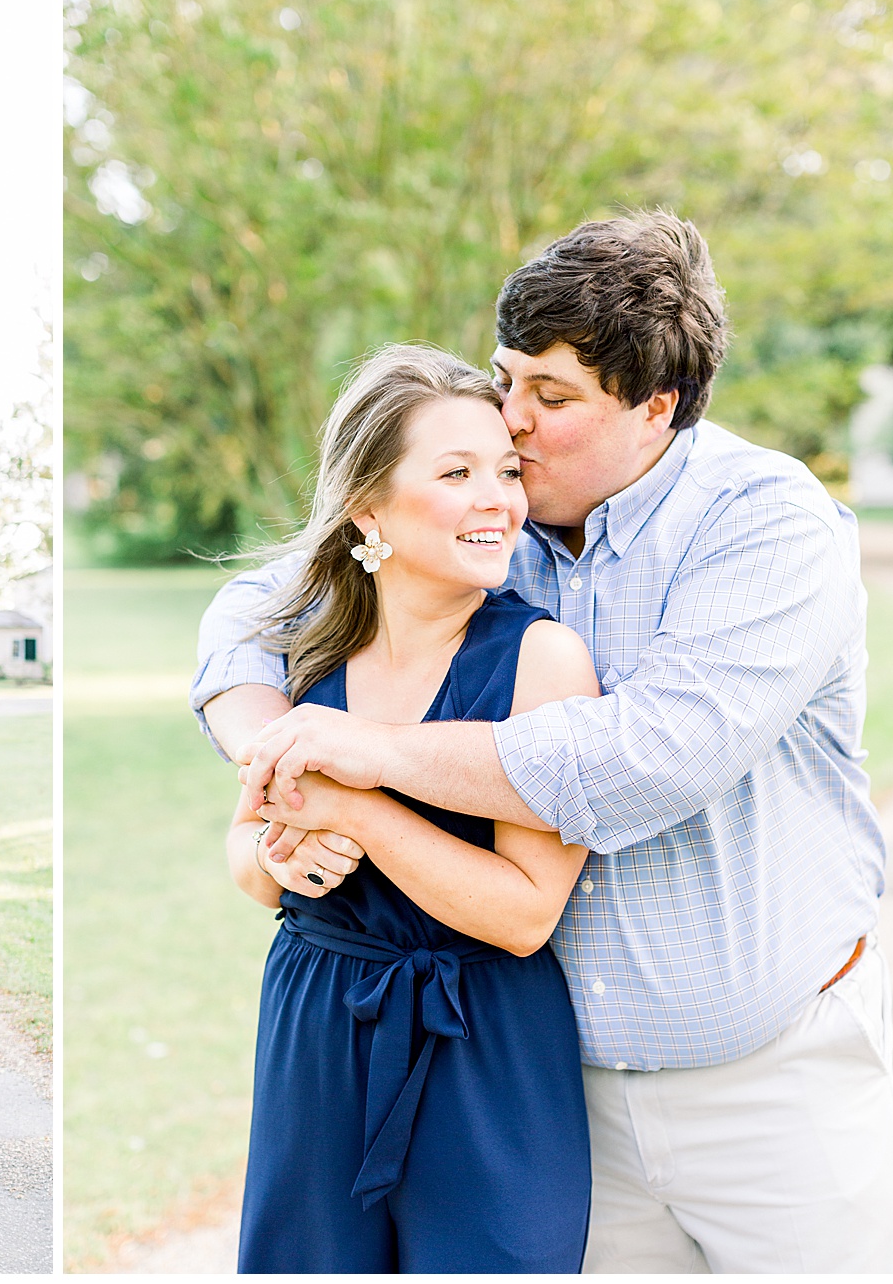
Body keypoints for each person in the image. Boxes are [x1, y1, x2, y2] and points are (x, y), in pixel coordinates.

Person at [197, 211, 893, 1272]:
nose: (510, 419)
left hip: (773, 1088)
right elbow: (256, 608)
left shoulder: (766, 524)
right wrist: (283, 771)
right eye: (505, 376)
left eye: (552, 396)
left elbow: (645, 758)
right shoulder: (493, 523)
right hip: (555, 1092)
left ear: (656, 406)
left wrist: (361, 760)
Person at [220, 343, 602, 1272]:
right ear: (369, 509)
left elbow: (524, 915)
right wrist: (277, 861)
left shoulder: (542, 662)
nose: (497, 499)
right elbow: (244, 854)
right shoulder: (306, 662)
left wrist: (363, 815)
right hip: (315, 1027)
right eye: (457, 472)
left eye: (506, 472)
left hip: (480, 1043)